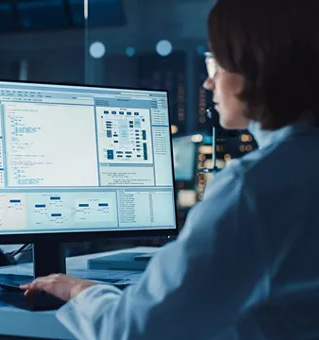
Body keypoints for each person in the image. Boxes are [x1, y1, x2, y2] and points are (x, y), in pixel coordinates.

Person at [20, 0, 319, 338]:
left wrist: (77, 292)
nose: (209, 83)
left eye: (216, 63)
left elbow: (135, 329)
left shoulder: (253, 188)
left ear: (255, 68)